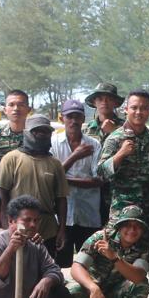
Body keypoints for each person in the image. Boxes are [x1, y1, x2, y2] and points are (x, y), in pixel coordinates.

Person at [62, 206, 149, 298]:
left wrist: (114, 258)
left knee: (141, 286)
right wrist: (93, 288)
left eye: (137, 226)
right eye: (127, 225)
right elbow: (76, 267)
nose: (132, 230)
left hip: (113, 297)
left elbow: (138, 276)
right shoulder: (101, 237)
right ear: (119, 227)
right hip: (90, 295)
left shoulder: (143, 246)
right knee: (71, 289)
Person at [0, 115, 69, 263]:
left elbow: (61, 198)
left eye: (45, 131)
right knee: (17, 269)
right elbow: (1, 193)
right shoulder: (11, 158)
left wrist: (61, 230)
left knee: (45, 270)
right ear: (27, 132)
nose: (42, 134)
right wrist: (5, 225)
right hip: (19, 227)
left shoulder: (55, 164)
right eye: (37, 131)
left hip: (47, 228)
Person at [97, 90, 149, 229]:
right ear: (126, 110)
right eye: (134, 108)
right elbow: (100, 173)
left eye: (143, 108)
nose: (138, 112)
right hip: (121, 214)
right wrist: (120, 154)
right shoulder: (114, 139)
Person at [51, 99, 103, 267]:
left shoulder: (94, 145)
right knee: (60, 264)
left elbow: (97, 181)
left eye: (77, 117)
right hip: (61, 218)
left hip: (88, 215)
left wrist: (63, 180)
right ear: (62, 118)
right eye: (69, 116)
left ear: (83, 119)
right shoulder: (53, 143)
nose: (73, 121)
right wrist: (75, 156)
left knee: (89, 264)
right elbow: (50, 178)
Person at [84, 82, 125, 224]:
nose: (104, 102)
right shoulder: (87, 130)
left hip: (117, 191)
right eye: (100, 99)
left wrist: (114, 132)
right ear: (94, 102)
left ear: (115, 102)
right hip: (91, 190)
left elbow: (134, 151)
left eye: (109, 98)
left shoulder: (125, 127)